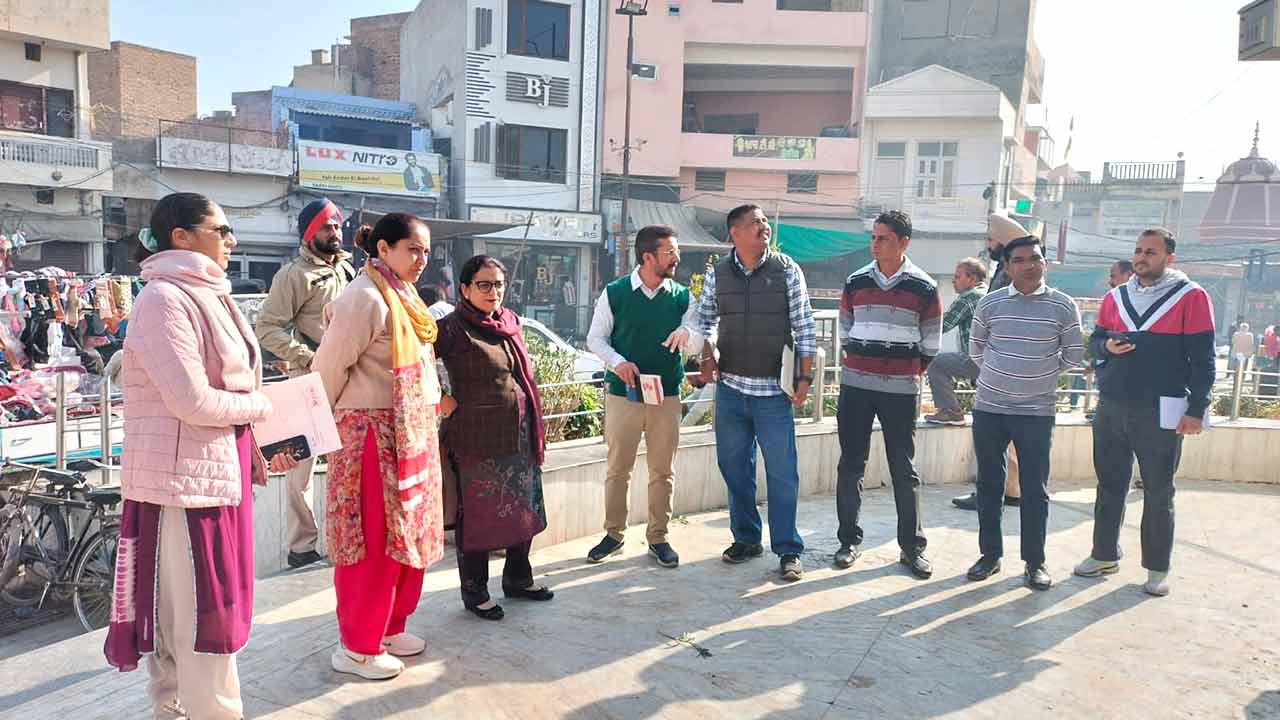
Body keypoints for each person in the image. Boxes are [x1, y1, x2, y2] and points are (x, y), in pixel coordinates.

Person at [105, 192, 293, 719]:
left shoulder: (211, 294)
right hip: (181, 485)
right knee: (202, 618)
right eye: (221, 229)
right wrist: (263, 405)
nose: (232, 240)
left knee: (190, 613)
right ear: (181, 237)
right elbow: (191, 400)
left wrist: (261, 436)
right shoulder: (163, 299)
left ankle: (176, 710)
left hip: (214, 470)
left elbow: (227, 390)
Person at [313, 212, 445, 679]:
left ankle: (390, 627)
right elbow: (328, 368)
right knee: (370, 541)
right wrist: (314, 430)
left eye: (426, 251)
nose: (421, 259)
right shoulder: (365, 296)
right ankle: (357, 647)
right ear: (383, 249)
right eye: (412, 249)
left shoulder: (406, 296)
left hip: (408, 433)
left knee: (406, 536)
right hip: (369, 435)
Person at [669, 204, 816, 582]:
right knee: (734, 468)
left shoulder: (787, 270)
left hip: (774, 393)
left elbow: (805, 326)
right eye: (755, 223)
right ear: (735, 232)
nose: (764, 227)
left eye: (765, 222)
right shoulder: (718, 273)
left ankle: (788, 548)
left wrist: (804, 378)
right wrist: (706, 356)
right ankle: (747, 538)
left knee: (782, 473)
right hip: (732, 391)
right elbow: (705, 320)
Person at [1074, 228, 1214, 597]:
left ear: (1170, 257)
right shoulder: (1116, 296)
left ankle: (1157, 568)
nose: (1141, 257)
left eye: (1151, 251)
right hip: (1112, 404)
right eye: (1138, 250)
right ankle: (1104, 554)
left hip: (1161, 409)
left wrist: (1197, 409)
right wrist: (1107, 347)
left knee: (1158, 491)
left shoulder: (1191, 296)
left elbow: (1203, 360)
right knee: (1109, 486)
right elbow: (1096, 341)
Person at [435, 255, 553, 620]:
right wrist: (440, 398)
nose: (493, 291)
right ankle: (475, 591)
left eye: (498, 284)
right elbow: (414, 364)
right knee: (478, 518)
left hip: (520, 435)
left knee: (523, 510)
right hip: (476, 440)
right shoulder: (450, 328)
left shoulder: (510, 322)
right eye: (484, 284)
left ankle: (518, 579)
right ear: (465, 289)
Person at [966, 236, 1084, 590]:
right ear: (1007, 267)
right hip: (990, 408)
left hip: (1036, 412)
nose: (1028, 265)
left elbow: (1073, 355)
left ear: (1045, 263)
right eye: (1018, 260)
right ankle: (989, 556)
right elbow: (976, 351)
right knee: (989, 485)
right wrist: (1002, 376)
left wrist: (1037, 375)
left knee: (1035, 489)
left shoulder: (1063, 306)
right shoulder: (990, 303)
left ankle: (1035, 562)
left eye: (1034, 258)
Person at [832, 210, 941, 578]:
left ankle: (912, 548)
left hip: (900, 390)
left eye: (883, 238)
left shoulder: (924, 287)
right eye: (873, 237)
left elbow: (930, 343)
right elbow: (845, 329)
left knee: (903, 469)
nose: (875, 244)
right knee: (851, 464)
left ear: (904, 242)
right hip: (856, 387)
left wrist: (902, 370)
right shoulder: (856, 281)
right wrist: (863, 363)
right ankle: (848, 542)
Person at [255, 197, 356, 569]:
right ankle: (302, 548)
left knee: (349, 461)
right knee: (301, 471)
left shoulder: (349, 270)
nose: (335, 232)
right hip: (308, 381)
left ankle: (346, 540)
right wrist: (307, 356)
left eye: (337, 225)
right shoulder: (293, 275)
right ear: (309, 232)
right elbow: (267, 327)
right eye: (327, 226)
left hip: (350, 379)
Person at [584, 225, 691, 568]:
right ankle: (614, 534)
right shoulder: (615, 293)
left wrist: (689, 333)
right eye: (669, 252)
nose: (676, 258)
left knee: (663, 471)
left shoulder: (682, 297)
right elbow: (595, 339)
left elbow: (701, 338)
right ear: (647, 256)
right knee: (618, 469)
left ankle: (659, 537)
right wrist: (618, 363)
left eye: (676, 251)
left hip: (667, 395)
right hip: (623, 395)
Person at [925, 257, 989, 425]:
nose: (954, 280)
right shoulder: (989, 294)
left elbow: (942, 325)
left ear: (972, 279)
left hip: (977, 360)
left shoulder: (969, 297)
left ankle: (950, 410)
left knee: (935, 363)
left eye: (958, 276)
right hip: (995, 362)